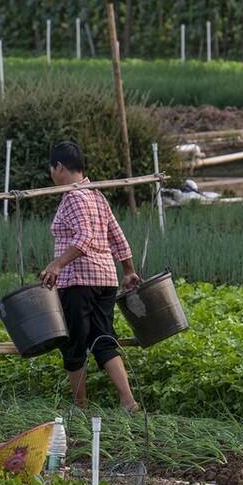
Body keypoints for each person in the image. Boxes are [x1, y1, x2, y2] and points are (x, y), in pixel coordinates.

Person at [38, 140, 141, 411]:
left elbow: (83, 238)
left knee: (74, 344)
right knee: (103, 339)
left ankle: (79, 408)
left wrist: (56, 265)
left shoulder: (73, 197)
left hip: (78, 283)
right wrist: (128, 271)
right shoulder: (97, 195)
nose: (51, 174)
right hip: (105, 280)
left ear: (59, 166)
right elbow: (117, 236)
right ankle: (128, 401)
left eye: (52, 168)